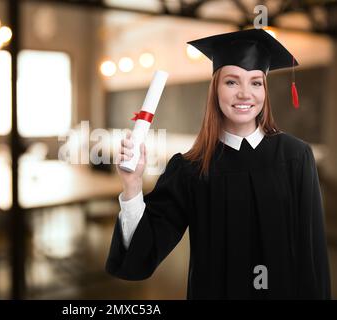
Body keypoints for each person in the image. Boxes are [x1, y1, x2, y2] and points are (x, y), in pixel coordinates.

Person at [106, 29, 331, 299]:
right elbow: (143, 251)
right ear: (215, 89)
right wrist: (132, 186)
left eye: (256, 83)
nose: (245, 94)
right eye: (232, 82)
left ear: (265, 90)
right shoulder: (190, 169)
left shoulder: (296, 157)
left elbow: (313, 256)